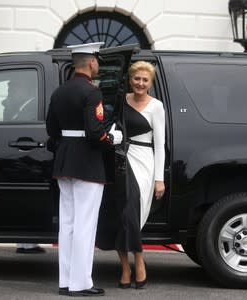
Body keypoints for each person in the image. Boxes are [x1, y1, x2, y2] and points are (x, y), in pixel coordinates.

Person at [46, 42, 122, 297]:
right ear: (90, 62)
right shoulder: (92, 93)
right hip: (88, 163)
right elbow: (94, 133)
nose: (98, 65)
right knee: (85, 225)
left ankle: (66, 281)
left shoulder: (59, 92)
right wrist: (113, 140)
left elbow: (52, 131)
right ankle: (81, 283)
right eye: (97, 61)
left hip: (65, 160)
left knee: (67, 224)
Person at [96, 61, 166, 289]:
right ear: (130, 80)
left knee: (131, 215)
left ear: (151, 83)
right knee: (121, 215)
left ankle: (139, 259)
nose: (140, 83)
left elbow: (160, 143)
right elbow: (110, 127)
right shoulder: (121, 101)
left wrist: (159, 179)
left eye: (145, 80)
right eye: (137, 78)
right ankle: (127, 266)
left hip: (144, 162)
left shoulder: (156, 106)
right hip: (121, 160)